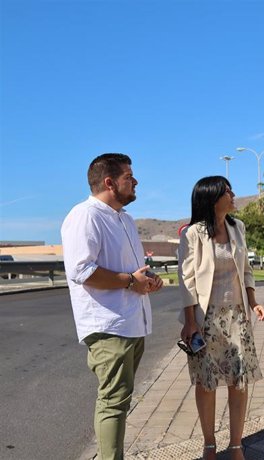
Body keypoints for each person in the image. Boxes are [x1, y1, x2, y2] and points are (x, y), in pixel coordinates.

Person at [61, 153, 164, 460]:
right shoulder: (85, 216)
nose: (135, 182)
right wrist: (131, 282)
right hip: (108, 326)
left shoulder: (125, 219)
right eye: (128, 176)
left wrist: (147, 280)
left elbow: (131, 271)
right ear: (109, 182)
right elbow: (81, 271)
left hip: (132, 323)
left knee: (120, 401)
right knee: (113, 401)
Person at [178, 176, 264, 460]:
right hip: (207, 319)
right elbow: (187, 281)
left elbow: (247, 269)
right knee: (207, 382)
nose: (233, 195)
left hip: (238, 317)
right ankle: (209, 445)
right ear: (212, 198)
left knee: (238, 381)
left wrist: (253, 302)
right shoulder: (192, 234)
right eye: (227, 191)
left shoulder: (237, 227)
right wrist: (190, 322)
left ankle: (236, 445)